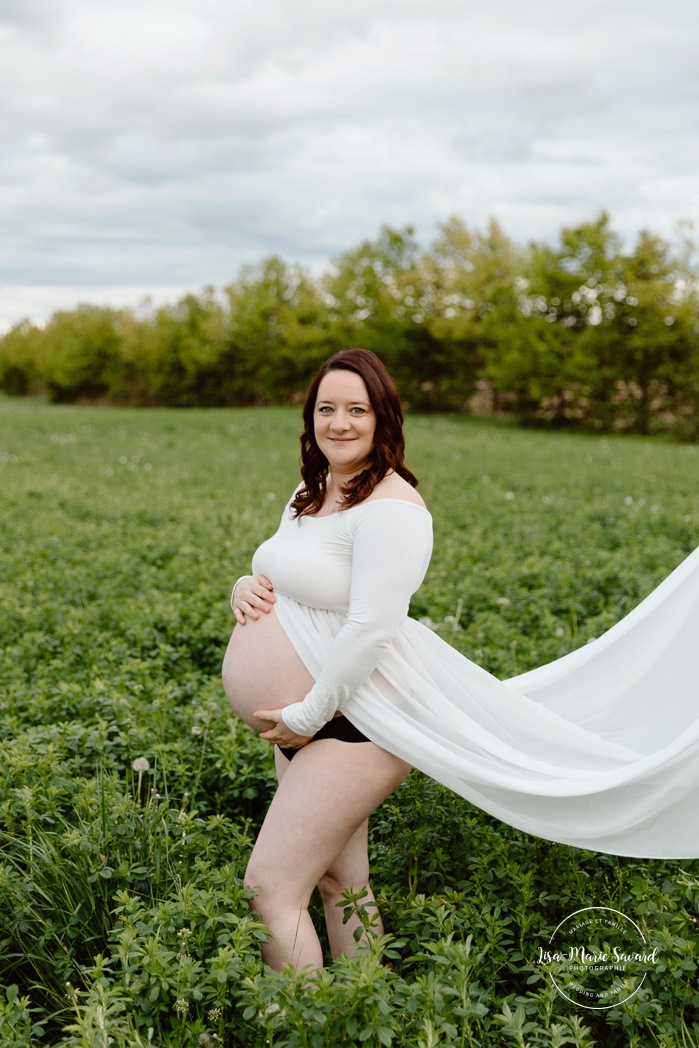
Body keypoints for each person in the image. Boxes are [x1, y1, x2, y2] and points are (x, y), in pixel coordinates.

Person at [222, 347, 699, 972]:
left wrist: (309, 715)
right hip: (310, 717)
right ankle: (362, 1009)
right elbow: (289, 570)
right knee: (343, 885)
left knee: (271, 890)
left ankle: (310, 1028)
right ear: (309, 416)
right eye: (326, 408)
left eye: (357, 410)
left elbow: (370, 628)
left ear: (383, 419)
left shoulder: (393, 509)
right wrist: (245, 584)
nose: (339, 423)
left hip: (351, 720)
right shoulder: (313, 491)